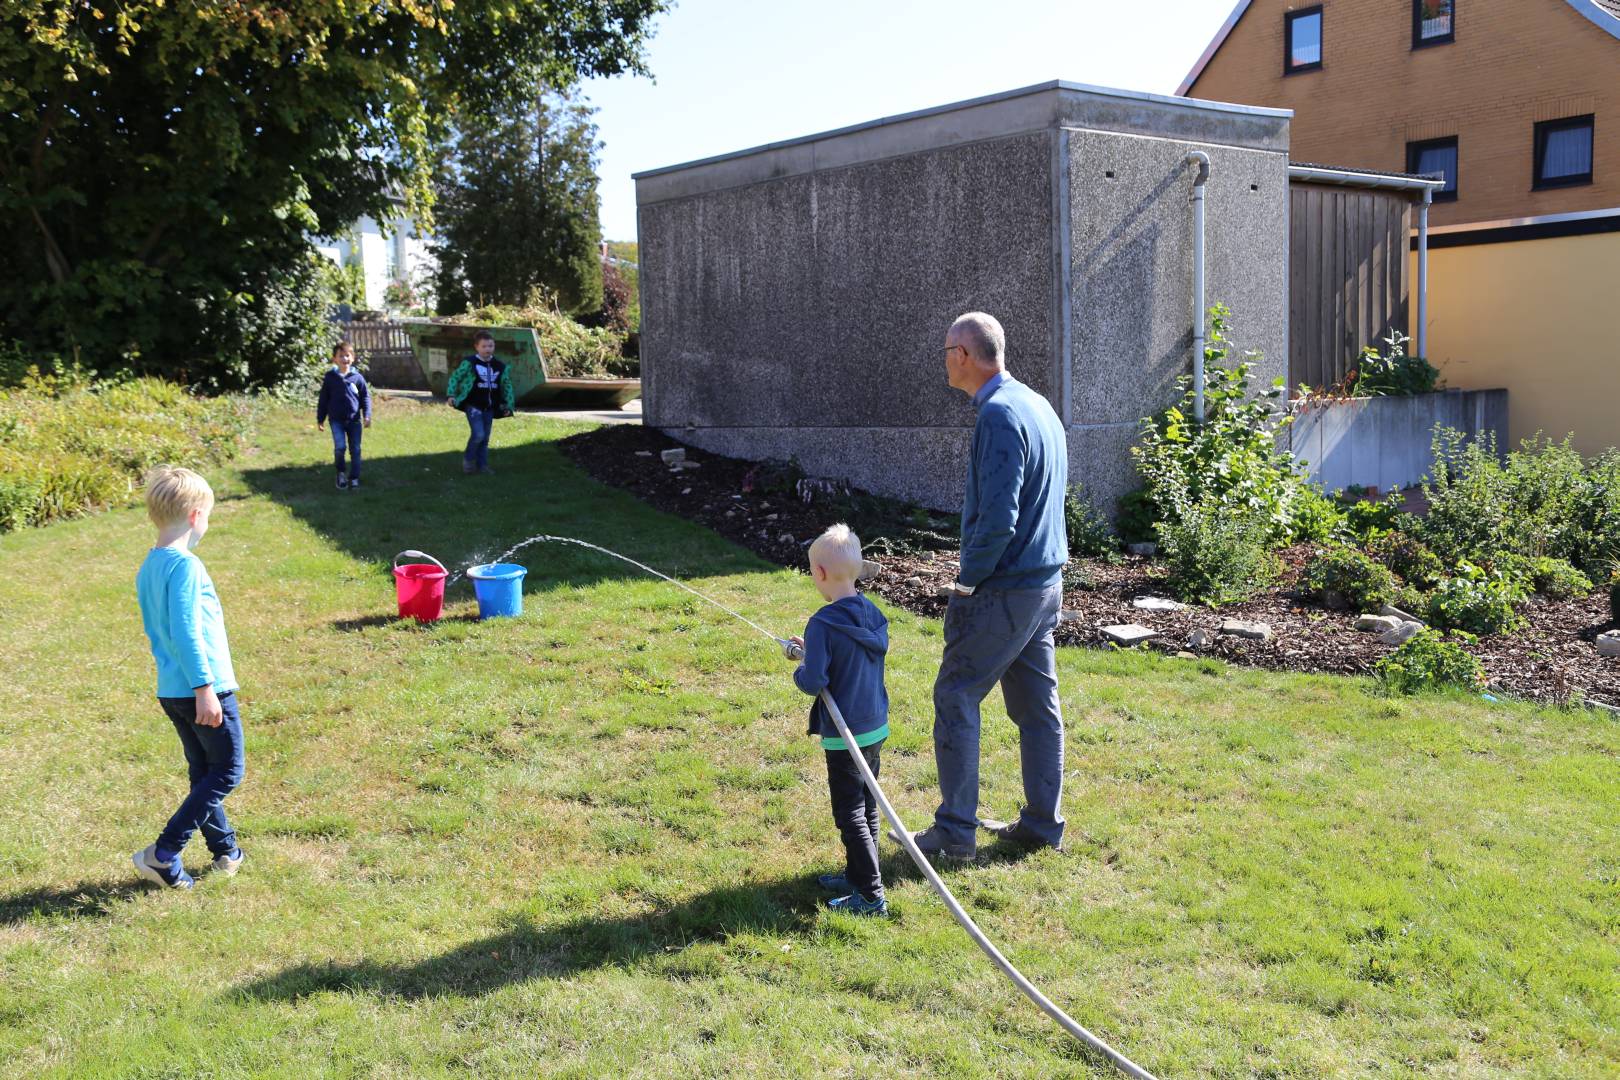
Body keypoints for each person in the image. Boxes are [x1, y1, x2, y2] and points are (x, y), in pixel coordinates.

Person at [903, 311, 1069, 860]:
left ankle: (954, 834)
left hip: (1007, 588)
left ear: (964, 355)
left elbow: (999, 519)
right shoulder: (1037, 404)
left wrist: (967, 583)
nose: (944, 360)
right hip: (1045, 585)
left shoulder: (998, 414)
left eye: (947, 350)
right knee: (1036, 708)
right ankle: (1042, 826)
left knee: (955, 693)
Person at [132, 466, 245, 889]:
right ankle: (164, 853)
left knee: (204, 771)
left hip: (171, 689)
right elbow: (184, 628)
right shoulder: (186, 565)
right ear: (197, 515)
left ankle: (226, 851)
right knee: (227, 771)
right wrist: (206, 689)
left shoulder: (150, 565)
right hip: (202, 689)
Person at [786, 523, 892, 916]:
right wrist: (811, 648)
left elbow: (814, 681)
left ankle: (870, 895)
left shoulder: (823, 623)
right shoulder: (873, 614)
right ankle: (858, 874)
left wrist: (802, 666)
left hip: (846, 734)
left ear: (820, 574)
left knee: (850, 812)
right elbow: (845, 655)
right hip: (875, 725)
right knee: (867, 805)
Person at [446, 330, 515, 475]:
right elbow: (455, 377)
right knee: (478, 434)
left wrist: (509, 405)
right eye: (484, 346)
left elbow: (507, 386)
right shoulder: (470, 363)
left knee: (485, 439)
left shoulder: (499, 366)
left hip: (489, 407)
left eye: (490, 346)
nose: (487, 349)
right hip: (474, 406)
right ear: (476, 347)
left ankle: (483, 466)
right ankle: (468, 463)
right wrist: (451, 394)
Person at [316, 340, 372, 490]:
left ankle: (354, 478)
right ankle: (341, 473)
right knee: (340, 447)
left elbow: (365, 397)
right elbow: (323, 399)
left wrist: (367, 415)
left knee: (356, 449)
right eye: (341, 356)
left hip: (354, 421)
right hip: (336, 420)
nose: (344, 359)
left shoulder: (357, 378)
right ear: (335, 359)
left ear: (352, 358)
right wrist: (320, 419)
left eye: (347, 356)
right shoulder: (330, 378)